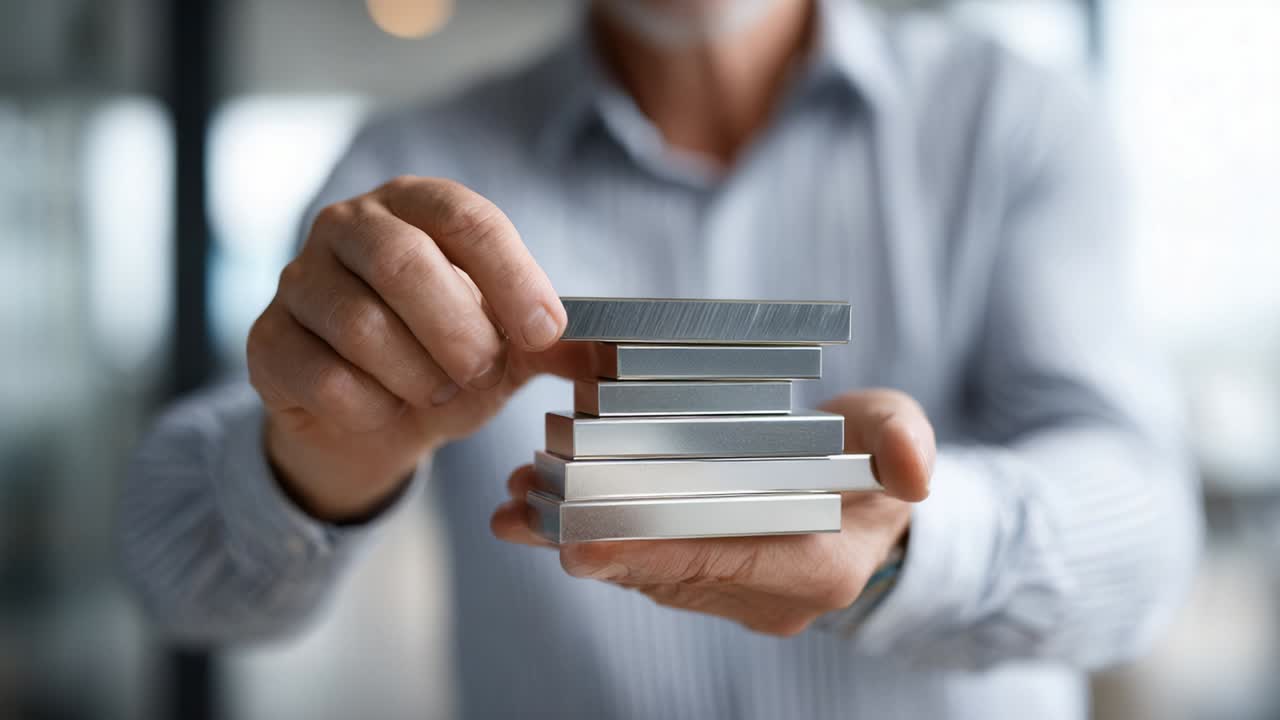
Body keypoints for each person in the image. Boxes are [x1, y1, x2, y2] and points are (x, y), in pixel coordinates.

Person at [119, 0, 1203, 716]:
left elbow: (1144, 526)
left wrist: (907, 545)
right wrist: (314, 462)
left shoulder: (1013, 117)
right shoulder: (407, 169)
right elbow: (177, 578)